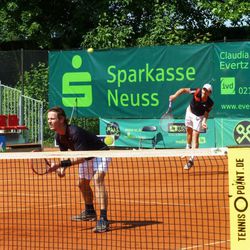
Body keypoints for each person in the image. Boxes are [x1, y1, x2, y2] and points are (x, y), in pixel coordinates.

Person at [47, 106, 111, 233]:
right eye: (48, 119)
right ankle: (89, 212)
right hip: (86, 157)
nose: (49, 121)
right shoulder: (59, 137)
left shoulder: (75, 132)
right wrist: (61, 170)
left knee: (98, 180)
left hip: (100, 153)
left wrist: (59, 165)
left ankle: (103, 219)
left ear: (61, 119)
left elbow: (82, 157)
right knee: (81, 184)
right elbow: (65, 156)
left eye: (52, 118)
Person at [169, 83, 214, 170]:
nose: (204, 91)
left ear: (209, 93)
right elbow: (183, 90)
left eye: (206, 90)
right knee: (188, 131)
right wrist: (175, 96)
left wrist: (204, 121)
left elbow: (206, 113)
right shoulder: (197, 91)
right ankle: (187, 147)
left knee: (195, 135)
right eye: (204, 89)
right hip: (189, 112)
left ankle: (191, 159)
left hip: (198, 117)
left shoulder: (210, 103)